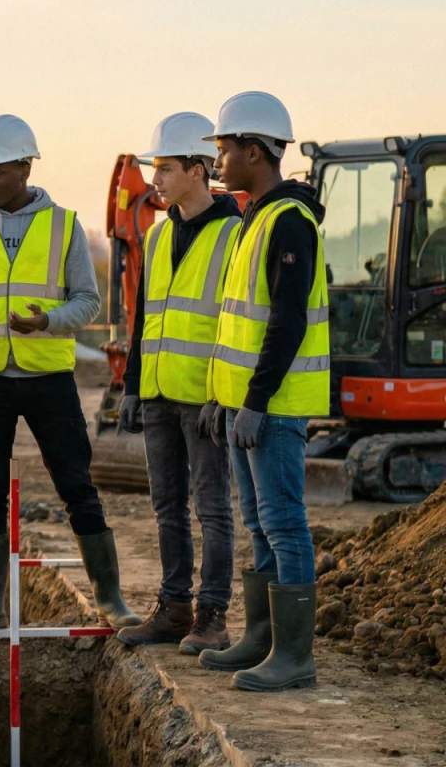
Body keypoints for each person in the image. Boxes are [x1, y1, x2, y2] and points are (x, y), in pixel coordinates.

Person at [0, 114, 141, 635]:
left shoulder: (64, 226)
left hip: (48, 377)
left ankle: (110, 598)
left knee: (77, 486)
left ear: (24, 167)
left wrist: (49, 321)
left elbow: (88, 301)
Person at [196, 91, 327, 692]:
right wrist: (220, 398)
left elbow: (287, 322)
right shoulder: (254, 217)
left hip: (273, 411)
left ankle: (294, 657)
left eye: (223, 149)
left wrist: (254, 401)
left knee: (283, 522)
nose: (218, 161)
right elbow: (237, 323)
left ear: (255, 150)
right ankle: (262, 638)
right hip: (245, 409)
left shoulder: (288, 220)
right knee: (258, 522)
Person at [115, 113, 242, 653]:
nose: (155, 180)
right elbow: (147, 315)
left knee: (211, 506)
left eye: (164, 168)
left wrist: (223, 394)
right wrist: (132, 386)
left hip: (205, 396)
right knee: (166, 504)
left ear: (198, 169)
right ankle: (173, 609)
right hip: (161, 392)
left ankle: (212, 615)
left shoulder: (235, 232)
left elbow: (239, 318)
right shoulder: (159, 230)